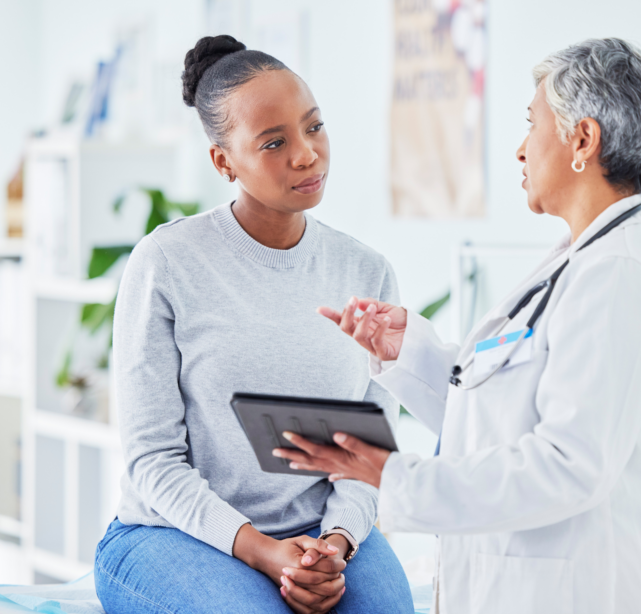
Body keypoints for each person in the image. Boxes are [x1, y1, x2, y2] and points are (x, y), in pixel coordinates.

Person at [276, 38, 641, 614]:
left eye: (532, 124)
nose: (521, 149)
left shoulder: (619, 274)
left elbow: (570, 467)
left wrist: (396, 476)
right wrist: (409, 354)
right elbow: (500, 419)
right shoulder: (579, 262)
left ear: (583, 140)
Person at [93, 35, 413, 614]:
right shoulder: (167, 262)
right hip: (172, 535)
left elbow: (368, 452)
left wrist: (335, 543)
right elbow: (152, 461)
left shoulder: (367, 271)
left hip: (324, 532)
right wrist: (264, 551)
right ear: (224, 161)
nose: (306, 154)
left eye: (314, 127)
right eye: (274, 142)